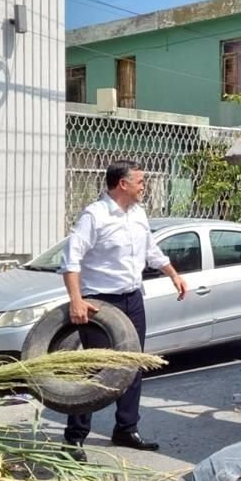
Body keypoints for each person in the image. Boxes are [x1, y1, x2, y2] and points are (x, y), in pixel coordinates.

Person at [60, 160, 188, 461]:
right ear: (122, 184)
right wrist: (76, 300)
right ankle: (74, 438)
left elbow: (151, 251)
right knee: (96, 369)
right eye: (140, 181)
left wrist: (173, 274)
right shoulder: (95, 216)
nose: (144, 186)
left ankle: (126, 429)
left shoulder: (139, 214)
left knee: (133, 365)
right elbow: (71, 260)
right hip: (100, 304)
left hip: (132, 298)